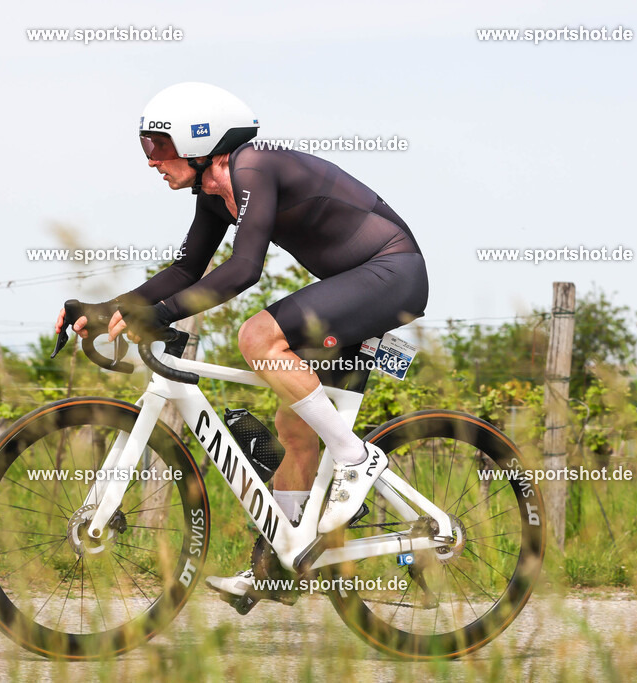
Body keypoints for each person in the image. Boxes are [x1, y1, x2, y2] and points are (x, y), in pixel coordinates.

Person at [56, 82, 428, 601]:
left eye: (158, 145)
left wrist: (161, 314)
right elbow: (186, 269)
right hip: (353, 285)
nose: (151, 160)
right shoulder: (213, 196)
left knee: (257, 336)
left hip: (391, 272)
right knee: (294, 429)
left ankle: (355, 457)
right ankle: (282, 563)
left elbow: (246, 268)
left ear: (199, 140)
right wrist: (109, 309)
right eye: (146, 146)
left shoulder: (253, 167)